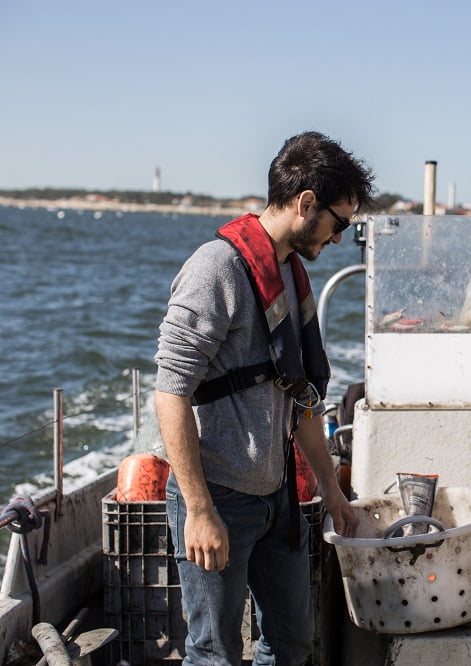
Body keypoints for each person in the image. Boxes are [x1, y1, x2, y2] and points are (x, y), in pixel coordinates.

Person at [154, 131, 373, 664]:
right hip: (220, 495)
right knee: (215, 653)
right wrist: (200, 511)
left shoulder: (288, 275)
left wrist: (331, 489)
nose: (340, 238)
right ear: (305, 204)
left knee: (292, 645)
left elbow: (299, 400)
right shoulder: (217, 269)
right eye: (339, 222)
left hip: (278, 499)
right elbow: (170, 393)